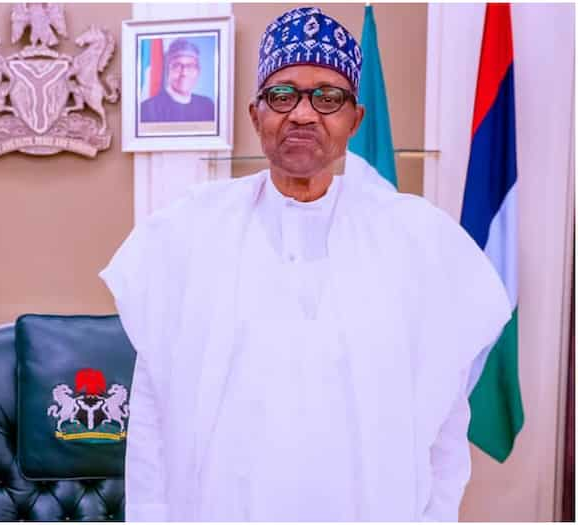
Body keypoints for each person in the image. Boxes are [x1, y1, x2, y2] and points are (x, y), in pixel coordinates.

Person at [102, 7, 511, 521]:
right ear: (256, 115)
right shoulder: (187, 237)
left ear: (355, 119)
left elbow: (444, 431)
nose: (302, 113)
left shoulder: (418, 243)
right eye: (282, 94)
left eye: (328, 96)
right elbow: (151, 427)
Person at [139, 38, 215, 123]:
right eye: (177, 65)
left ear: (198, 71)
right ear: (167, 70)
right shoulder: (147, 109)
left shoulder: (207, 106)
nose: (184, 73)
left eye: (190, 66)